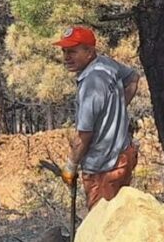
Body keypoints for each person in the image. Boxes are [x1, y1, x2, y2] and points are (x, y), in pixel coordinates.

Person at [54, 25, 141, 209]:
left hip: (103, 168)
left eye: (73, 51)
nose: (67, 57)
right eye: (64, 51)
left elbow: (83, 136)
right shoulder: (106, 64)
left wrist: (71, 166)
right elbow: (133, 77)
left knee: (103, 226)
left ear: (89, 51)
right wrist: (115, 109)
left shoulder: (90, 84)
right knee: (121, 218)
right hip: (123, 157)